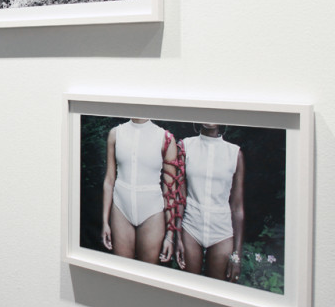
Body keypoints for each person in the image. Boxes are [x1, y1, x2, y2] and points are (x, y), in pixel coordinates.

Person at [101, 119, 183, 264]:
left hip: (152, 212)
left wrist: (170, 235)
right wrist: (105, 222)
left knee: (148, 274)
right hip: (121, 208)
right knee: (122, 272)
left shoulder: (165, 137)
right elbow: (109, 180)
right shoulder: (115, 133)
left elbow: (170, 190)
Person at [176, 124, 245, 282]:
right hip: (191, 225)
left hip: (221, 230)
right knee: (189, 289)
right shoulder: (185, 146)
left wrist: (237, 255)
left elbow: (237, 207)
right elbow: (180, 195)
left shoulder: (234, 153)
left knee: (217, 292)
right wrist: (177, 236)